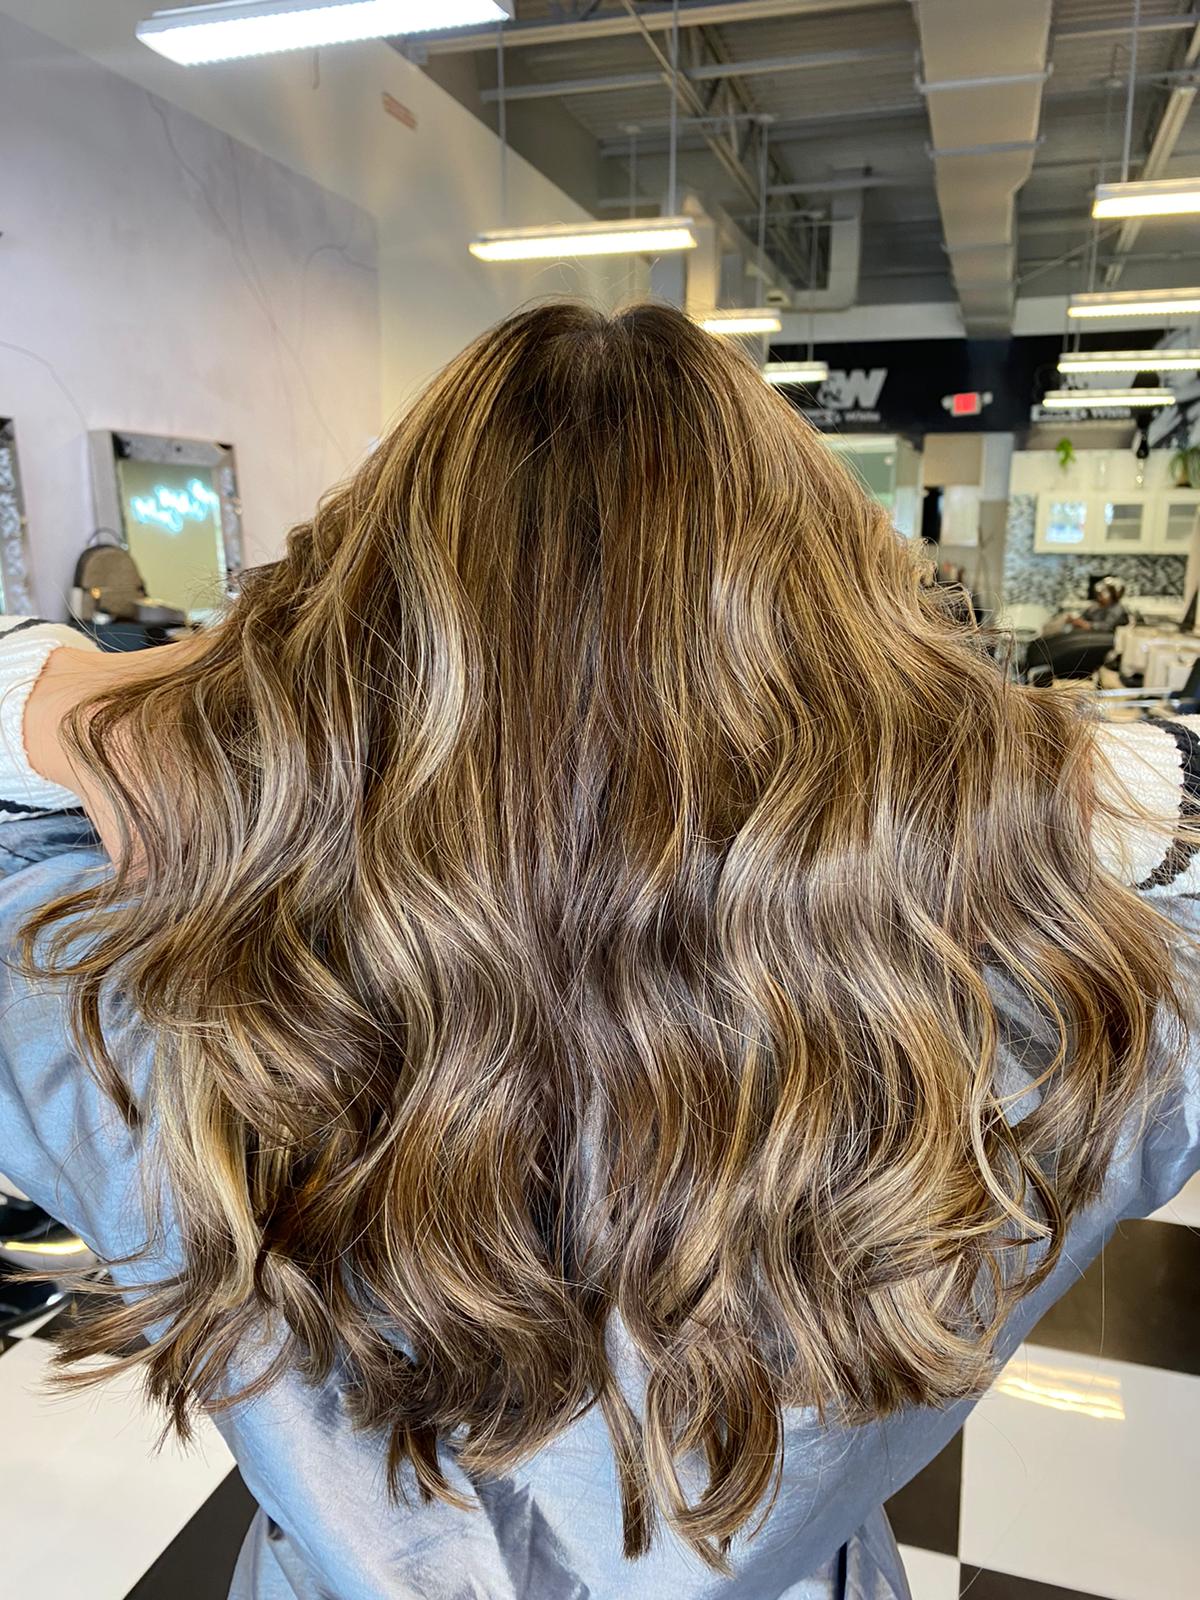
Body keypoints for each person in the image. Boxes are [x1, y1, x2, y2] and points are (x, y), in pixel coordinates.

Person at [0, 302, 1198, 1600]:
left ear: (338, 677)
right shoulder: (1054, 1050)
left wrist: (116, 711)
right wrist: (1006, 765)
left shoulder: (171, 1038)